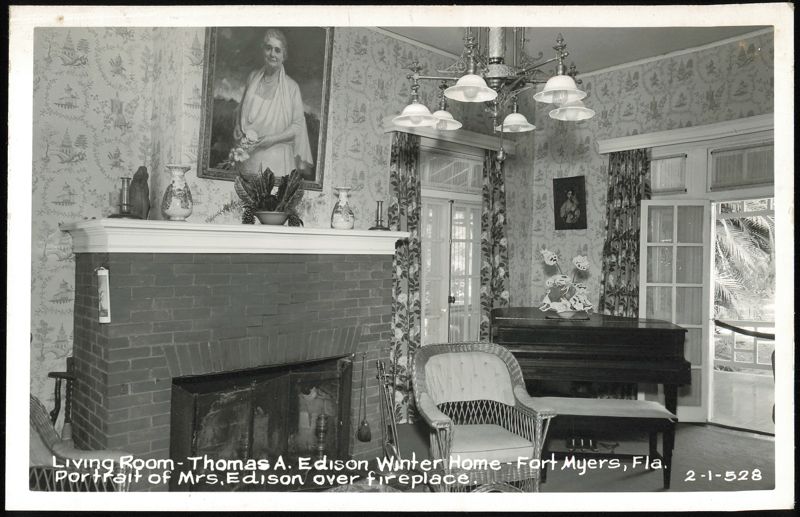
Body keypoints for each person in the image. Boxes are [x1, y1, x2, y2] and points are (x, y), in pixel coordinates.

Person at [234, 29, 313, 178]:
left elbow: (297, 127)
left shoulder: (292, 88)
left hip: (278, 161)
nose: (272, 54)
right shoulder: (252, 78)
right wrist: (238, 125)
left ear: (284, 56)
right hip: (249, 159)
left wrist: (271, 140)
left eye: (277, 50)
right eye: (268, 48)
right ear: (263, 50)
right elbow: (242, 108)